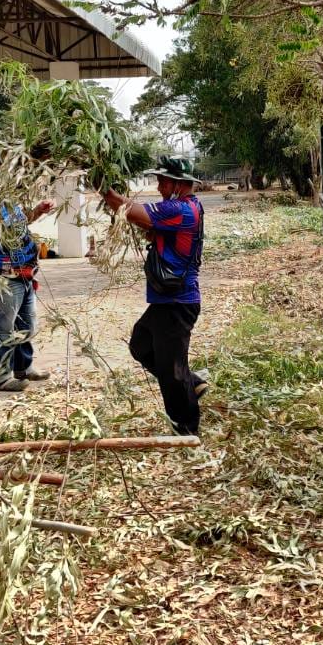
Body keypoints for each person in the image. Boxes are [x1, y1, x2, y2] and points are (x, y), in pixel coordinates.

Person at [101, 157, 208, 436]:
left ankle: (186, 430)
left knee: (172, 369)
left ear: (178, 184)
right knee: (141, 345)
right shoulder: (187, 207)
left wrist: (102, 187)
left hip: (177, 302)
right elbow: (148, 225)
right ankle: (192, 383)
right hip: (166, 301)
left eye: (163, 181)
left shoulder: (181, 209)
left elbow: (132, 212)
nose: (159, 186)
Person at [0, 190, 54, 391]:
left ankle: (23, 367)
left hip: (24, 274)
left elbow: (18, 225)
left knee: (26, 325)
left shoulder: (6, 198)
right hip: (1, 277)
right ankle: (2, 377)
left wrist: (38, 211)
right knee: (2, 329)